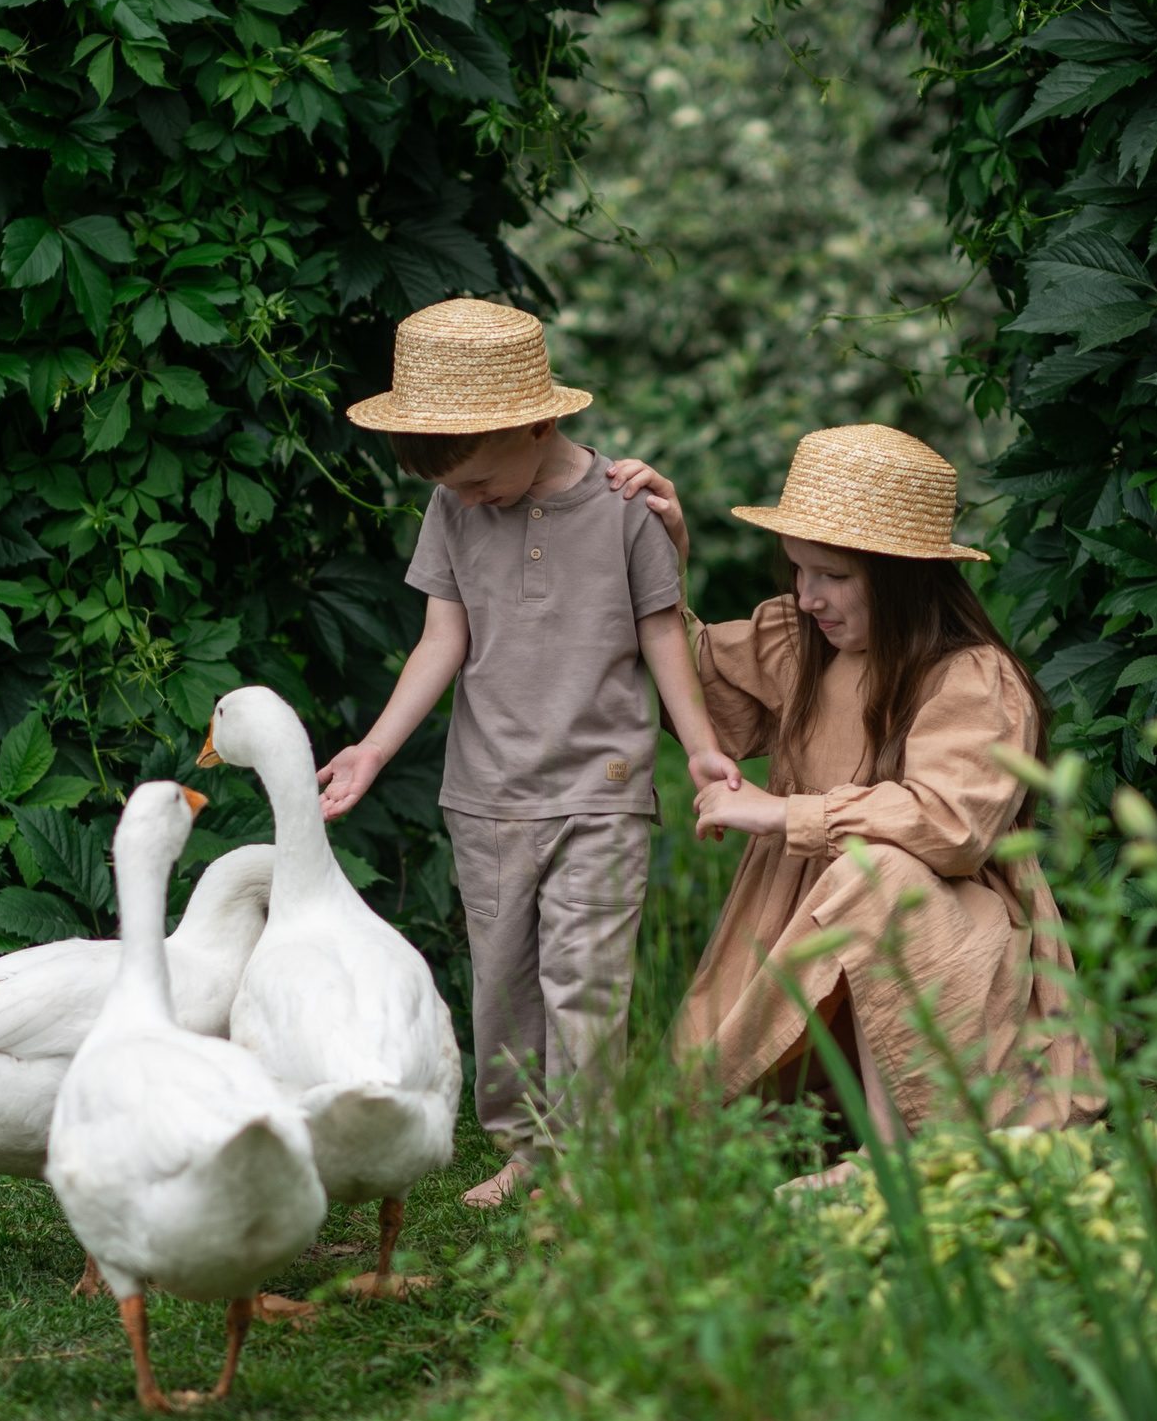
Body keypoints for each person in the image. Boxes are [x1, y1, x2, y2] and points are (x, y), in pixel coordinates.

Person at [321, 298, 737, 1209]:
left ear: (540, 422)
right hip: (488, 793)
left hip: (603, 786)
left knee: (586, 977)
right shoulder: (452, 502)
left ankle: (586, 1160)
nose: (470, 501)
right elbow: (441, 639)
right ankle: (527, 1150)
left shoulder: (626, 509)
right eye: (456, 490)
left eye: (480, 483)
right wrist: (373, 751)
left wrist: (702, 750)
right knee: (504, 985)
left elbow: (664, 633)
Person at [613, 424, 1100, 1187]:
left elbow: (950, 825)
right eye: (801, 571)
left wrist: (788, 815)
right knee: (688, 1121)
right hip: (799, 922)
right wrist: (667, 557)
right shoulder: (802, 642)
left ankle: (894, 1153)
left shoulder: (972, 677)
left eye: (832, 576)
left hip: (939, 934)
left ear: (903, 577)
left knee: (879, 877)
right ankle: (837, 1123)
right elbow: (702, 687)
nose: (808, 597)